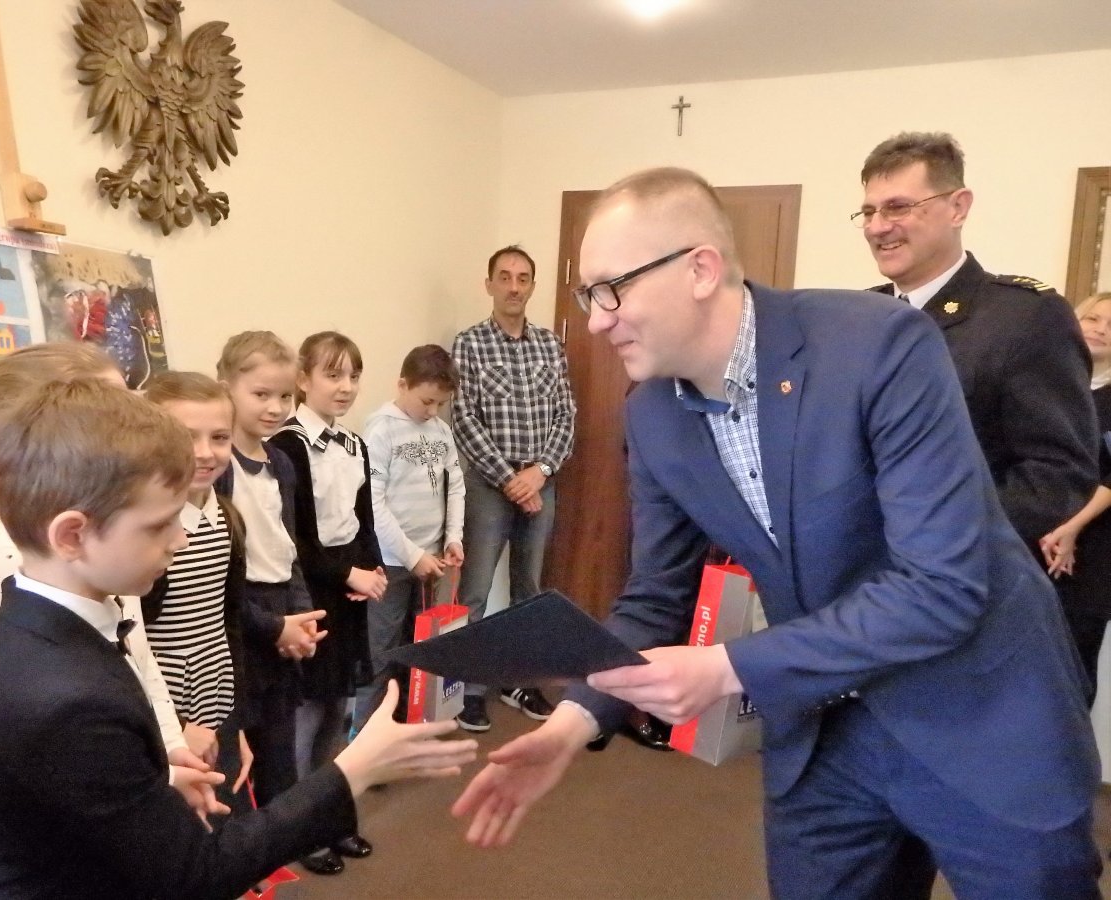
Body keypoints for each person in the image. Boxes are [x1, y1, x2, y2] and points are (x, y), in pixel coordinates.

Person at [452, 167, 1101, 899]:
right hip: (824, 734)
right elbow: (655, 597)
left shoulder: (876, 344)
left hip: (979, 715)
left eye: (612, 289)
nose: (597, 321)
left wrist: (726, 667)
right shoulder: (652, 415)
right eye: (586, 297)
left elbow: (941, 589)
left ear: (700, 269)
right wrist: (575, 720)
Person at [0, 378, 477, 900]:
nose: (180, 539)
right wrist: (354, 770)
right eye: (159, 526)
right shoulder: (67, 701)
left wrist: (153, 782)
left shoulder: (33, 619)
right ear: (72, 535)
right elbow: (195, 876)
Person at [0, 344, 215, 900]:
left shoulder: (103, 560)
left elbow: (132, 653)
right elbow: (63, 722)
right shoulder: (18, 563)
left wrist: (165, 751)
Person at [858, 131, 1099, 555]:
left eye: (898, 207)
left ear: (958, 207)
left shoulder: (1025, 317)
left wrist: (934, 531)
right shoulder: (858, 317)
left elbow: (1059, 475)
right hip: (858, 571)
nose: (878, 227)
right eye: (868, 212)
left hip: (965, 570)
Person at [269, 330, 386, 876]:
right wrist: (347, 573)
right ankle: (300, 829)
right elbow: (294, 538)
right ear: (303, 379)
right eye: (333, 375)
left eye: (353, 376)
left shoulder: (355, 444)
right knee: (309, 713)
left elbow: (363, 520)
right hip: (311, 590)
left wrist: (373, 568)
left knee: (339, 708)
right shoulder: (288, 446)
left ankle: (331, 816)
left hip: (348, 590)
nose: (345, 387)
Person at [451, 245, 576, 731]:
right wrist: (509, 479)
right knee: (475, 592)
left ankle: (519, 681)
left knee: (529, 590)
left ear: (533, 286)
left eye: (523, 278)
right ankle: (467, 691)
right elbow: (464, 420)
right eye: (504, 276)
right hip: (489, 485)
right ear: (489, 284)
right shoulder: (469, 344)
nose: (514, 286)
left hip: (540, 481)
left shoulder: (550, 345)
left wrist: (540, 471)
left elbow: (566, 415)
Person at [214, 332, 326, 807]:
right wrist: (274, 627)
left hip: (281, 606)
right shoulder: (219, 468)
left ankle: (283, 834)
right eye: (261, 394)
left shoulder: (281, 462)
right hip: (239, 617)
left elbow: (288, 546)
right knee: (237, 759)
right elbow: (219, 578)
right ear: (227, 388)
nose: (275, 407)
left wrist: (302, 616)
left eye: (284, 396)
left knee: (280, 751)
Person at [141, 372, 257, 821]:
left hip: (216, 702)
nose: (205, 452)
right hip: (166, 718)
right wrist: (175, 729)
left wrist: (235, 723)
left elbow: (230, 625)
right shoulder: (148, 531)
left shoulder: (227, 519)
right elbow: (134, 644)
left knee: (223, 818)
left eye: (219, 437)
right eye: (187, 437)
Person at [354, 344, 466, 733]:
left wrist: (453, 537)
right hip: (391, 563)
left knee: (422, 646)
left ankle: (410, 725)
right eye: (426, 401)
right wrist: (412, 555)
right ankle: (367, 735)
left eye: (441, 404)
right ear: (402, 385)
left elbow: (456, 487)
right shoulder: (380, 429)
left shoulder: (441, 431)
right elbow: (373, 503)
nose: (433, 411)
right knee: (382, 651)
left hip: (433, 560)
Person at [1041, 292, 1111, 693]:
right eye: (1093, 319)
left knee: (1074, 664)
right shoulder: (1048, 387)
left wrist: (1072, 528)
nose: (1101, 330)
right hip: (1037, 535)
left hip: (1092, 545)